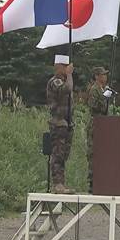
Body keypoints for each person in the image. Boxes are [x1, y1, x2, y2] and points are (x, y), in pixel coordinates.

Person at [47, 55, 75, 194]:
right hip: (58, 123)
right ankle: (57, 183)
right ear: (58, 67)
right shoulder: (55, 81)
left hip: (67, 123)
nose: (66, 69)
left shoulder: (65, 81)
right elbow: (66, 89)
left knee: (64, 154)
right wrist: (69, 75)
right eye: (64, 67)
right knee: (57, 153)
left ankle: (62, 183)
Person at [85, 66, 111, 193]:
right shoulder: (94, 90)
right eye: (102, 75)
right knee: (93, 151)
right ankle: (92, 182)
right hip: (95, 123)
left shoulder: (103, 89)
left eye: (105, 75)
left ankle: (102, 180)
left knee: (102, 152)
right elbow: (93, 106)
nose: (104, 77)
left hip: (103, 123)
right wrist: (104, 98)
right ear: (96, 76)